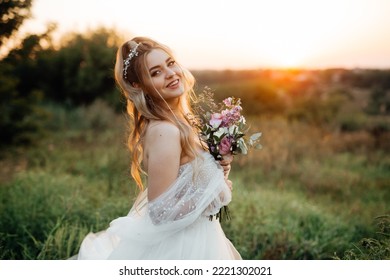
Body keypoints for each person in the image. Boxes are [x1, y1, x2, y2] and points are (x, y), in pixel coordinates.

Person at [76, 37, 241, 259]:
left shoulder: (182, 122)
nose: (171, 73)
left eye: (170, 63)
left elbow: (190, 182)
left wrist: (220, 167)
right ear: (138, 85)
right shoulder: (165, 131)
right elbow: (160, 211)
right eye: (156, 72)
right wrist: (214, 196)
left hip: (201, 237)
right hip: (180, 248)